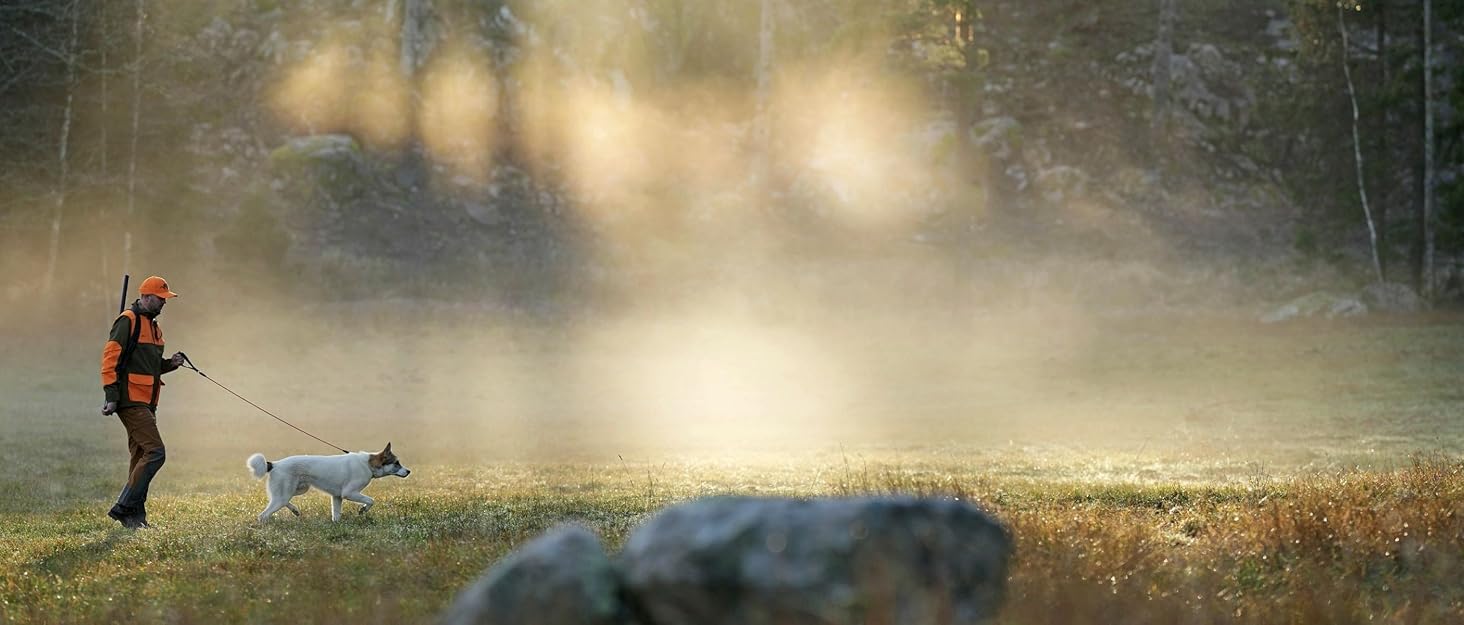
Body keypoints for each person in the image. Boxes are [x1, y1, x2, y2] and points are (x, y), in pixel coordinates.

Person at [100, 275, 186, 529]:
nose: (164, 303)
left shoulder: (154, 327)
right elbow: (110, 360)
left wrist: (171, 364)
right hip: (130, 400)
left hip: (148, 401)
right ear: (146, 297)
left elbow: (150, 367)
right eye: (160, 298)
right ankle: (123, 507)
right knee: (156, 452)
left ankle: (135, 519)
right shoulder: (127, 321)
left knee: (140, 456)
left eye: (165, 299)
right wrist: (111, 397)